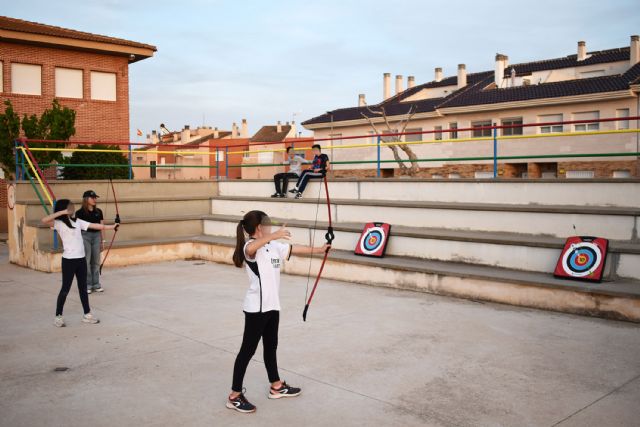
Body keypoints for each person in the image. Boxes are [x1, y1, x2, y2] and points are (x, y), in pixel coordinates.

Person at [227, 210, 330, 413]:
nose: (271, 227)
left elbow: (294, 249)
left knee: (271, 346)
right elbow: (252, 249)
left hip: (273, 306)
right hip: (256, 309)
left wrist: (319, 249)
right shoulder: (250, 246)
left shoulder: (273, 246)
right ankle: (234, 395)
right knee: (247, 351)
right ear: (259, 227)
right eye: (268, 224)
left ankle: (276, 386)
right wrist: (273, 235)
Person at [41, 199, 119, 327]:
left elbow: (96, 226)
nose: (72, 209)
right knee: (65, 289)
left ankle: (87, 315)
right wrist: (62, 212)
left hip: (81, 260)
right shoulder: (59, 223)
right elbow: (44, 220)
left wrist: (112, 226)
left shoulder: (78, 221)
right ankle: (58, 316)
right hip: (68, 261)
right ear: (63, 209)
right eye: (69, 208)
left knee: (83, 289)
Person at [75, 190, 104, 294]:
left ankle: (96, 284)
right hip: (85, 236)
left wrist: (102, 241)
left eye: (95, 198)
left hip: (96, 236)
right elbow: (77, 229)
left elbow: (101, 226)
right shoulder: (79, 213)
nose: (95, 199)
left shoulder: (99, 211)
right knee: (86, 261)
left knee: (96, 261)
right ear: (86, 199)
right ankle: (88, 284)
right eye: (92, 198)